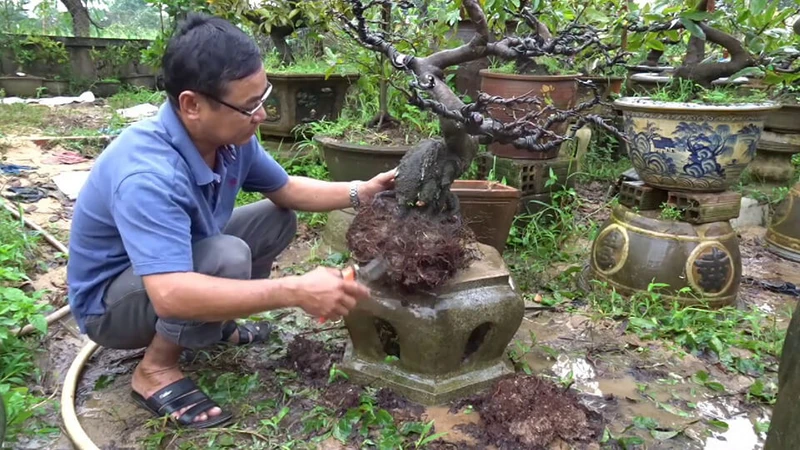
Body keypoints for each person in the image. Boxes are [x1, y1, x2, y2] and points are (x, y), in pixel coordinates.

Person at [66, 13, 395, 429]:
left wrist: (362, 191)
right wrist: (295, 290)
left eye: (263, 97)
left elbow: (287, 189)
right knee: (226, 255)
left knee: (275, 219)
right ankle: (155, 369)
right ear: (192, 105)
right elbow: (170, 295)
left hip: (169, 268)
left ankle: (213, 325)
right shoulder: (148, 175)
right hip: (112, 306)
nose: (262, 114)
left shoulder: (231, 139)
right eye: (249, 105)